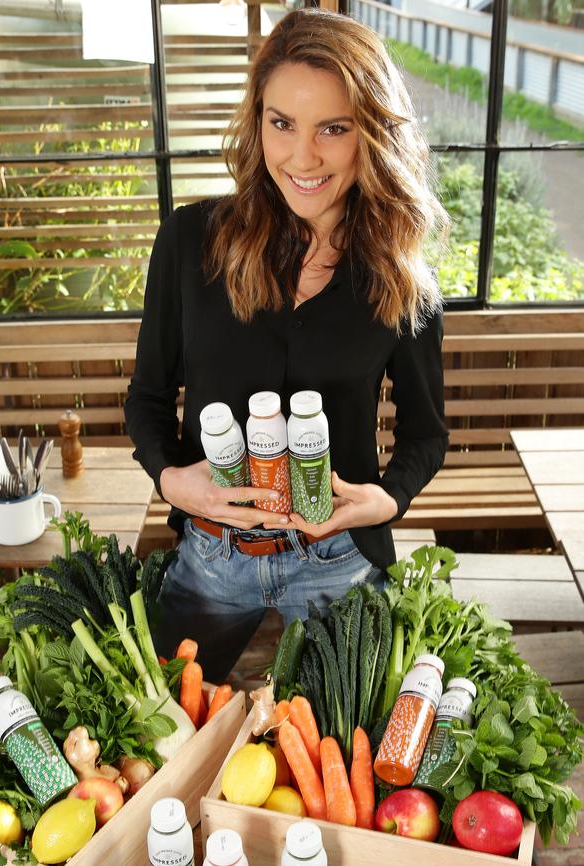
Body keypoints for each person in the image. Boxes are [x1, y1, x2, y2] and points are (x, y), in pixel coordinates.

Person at [125, 8, 449, 682]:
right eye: (283, 124)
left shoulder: (398, 275)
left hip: (337, 557)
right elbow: (148, 400)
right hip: (211, 555)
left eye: (334, 128)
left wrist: (386, 500)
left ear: (375, 133)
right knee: (146, 742)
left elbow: (425, 434)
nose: (303, 158)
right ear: (258, 121)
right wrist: (171, 479)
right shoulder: (189, 242)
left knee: (360, 758)